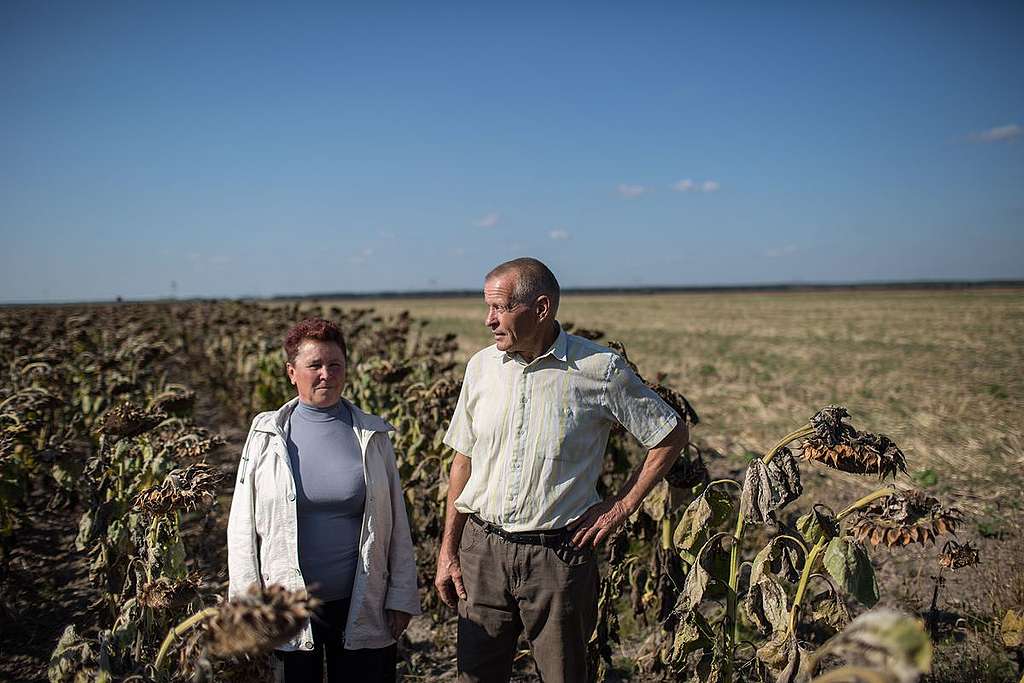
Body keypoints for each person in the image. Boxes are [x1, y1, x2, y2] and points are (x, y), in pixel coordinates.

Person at [434, 258, 689, 683]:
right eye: (488, 307)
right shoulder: (481, 367)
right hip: (482, 554)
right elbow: (464, 461)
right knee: (474, 675)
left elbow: (669, 434)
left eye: (499, 308)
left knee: (563, 675)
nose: (488, 320)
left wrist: (621, 506)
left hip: (557, 557)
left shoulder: (599, 369)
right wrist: (448, 551)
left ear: (541, 308)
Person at [227, 317, 420, 683]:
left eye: (335, 365)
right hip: (287, 605)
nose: (326, 375)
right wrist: (246, 605)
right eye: (314, 365)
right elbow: (241, 528)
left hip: (362, 601)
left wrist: (401, 595)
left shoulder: (372, 434)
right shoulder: (266, 435)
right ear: (291, 372)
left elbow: (395, 522)